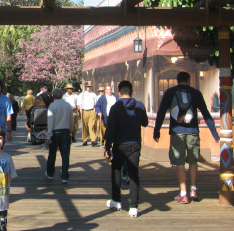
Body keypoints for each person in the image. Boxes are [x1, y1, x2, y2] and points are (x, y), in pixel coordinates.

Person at [153, 71, 220, 204]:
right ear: (188, 80)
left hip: (177, 132)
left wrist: (157, 131)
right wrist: (214, 133)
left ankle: (183, 194)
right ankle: (193, 189)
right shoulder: (195, 93)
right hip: (193, 131)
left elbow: (161, 112)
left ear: (178, 80)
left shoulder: (170, 92)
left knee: (179, 162)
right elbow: (206, 113)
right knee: (193, 161)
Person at [104, 80, 148, 218]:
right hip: (135, 144)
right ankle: (134, 207)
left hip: (119, 145)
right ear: (131, 91)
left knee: (116, 171)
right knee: (134, 174)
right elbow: (145, 123)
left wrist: (107, 146)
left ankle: (116, 200)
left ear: (118, 92)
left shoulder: (116, 107)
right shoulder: (139, 105)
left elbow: (110, 129)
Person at [45, 88, 74, 183]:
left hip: (55, 132)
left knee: (52, 154)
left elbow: (50, 121)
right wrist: (71, 130)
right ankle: (64, 176)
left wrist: (48, 136)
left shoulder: (52, 106)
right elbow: (71, 120)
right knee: (65, 155)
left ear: (53, 95)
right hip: (66, 131)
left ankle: (50, 173)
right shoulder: (68, 105)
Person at [77, 81, 98, 146]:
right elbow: (79, 103)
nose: (89, 88)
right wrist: (80, 111)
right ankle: (85, 139)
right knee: (85, 126)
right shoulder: (82, 94)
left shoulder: (94, 95)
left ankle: (93, 140)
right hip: (84, 111)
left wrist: (95, 111)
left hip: (91, 111)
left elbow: (96, 104)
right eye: (88, 87)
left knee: (91, 126)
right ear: (86, 87)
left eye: (90, 87)